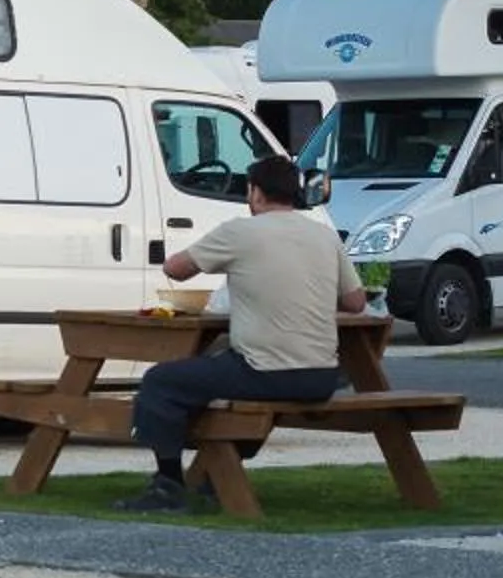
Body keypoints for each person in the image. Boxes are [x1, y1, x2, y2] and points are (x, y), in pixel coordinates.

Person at [118, 153, 363, 513]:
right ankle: (217, 476)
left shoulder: (240, 231)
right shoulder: (324, 235)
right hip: (320, 375)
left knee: (161, 382)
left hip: (263, 370)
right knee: (219, 383)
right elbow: (355, 301)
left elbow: (176, 269)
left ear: (256, 193)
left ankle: (168, 484)